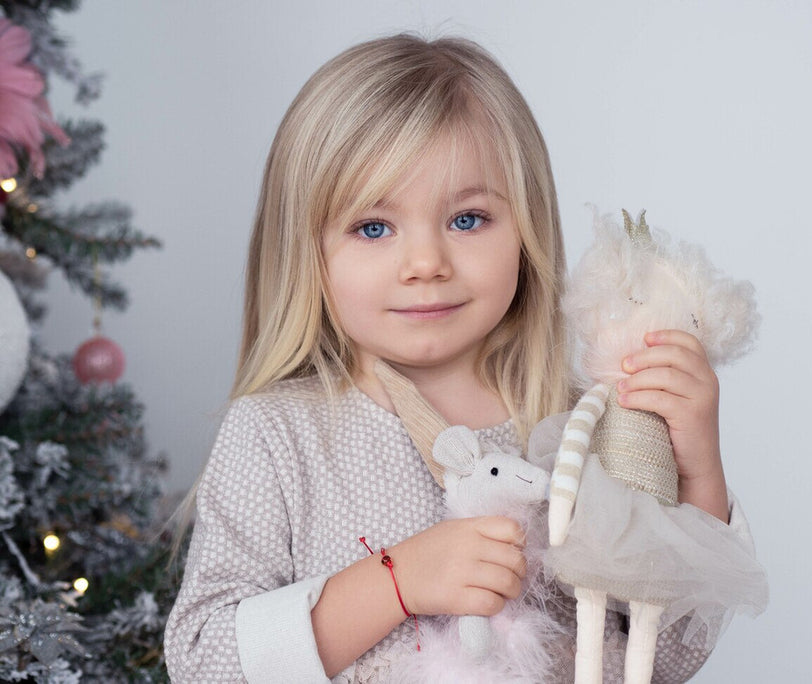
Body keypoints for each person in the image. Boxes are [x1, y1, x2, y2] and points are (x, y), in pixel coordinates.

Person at [164, 34, 757, 683]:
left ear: (527, 229)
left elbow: (663, 661)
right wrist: (397, 582)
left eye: (467, 220)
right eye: (373, 228)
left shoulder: (579, 428)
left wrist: (699, 468)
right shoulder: (276, 437)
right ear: (306, 251)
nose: (426, 264)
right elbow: (203, 659)